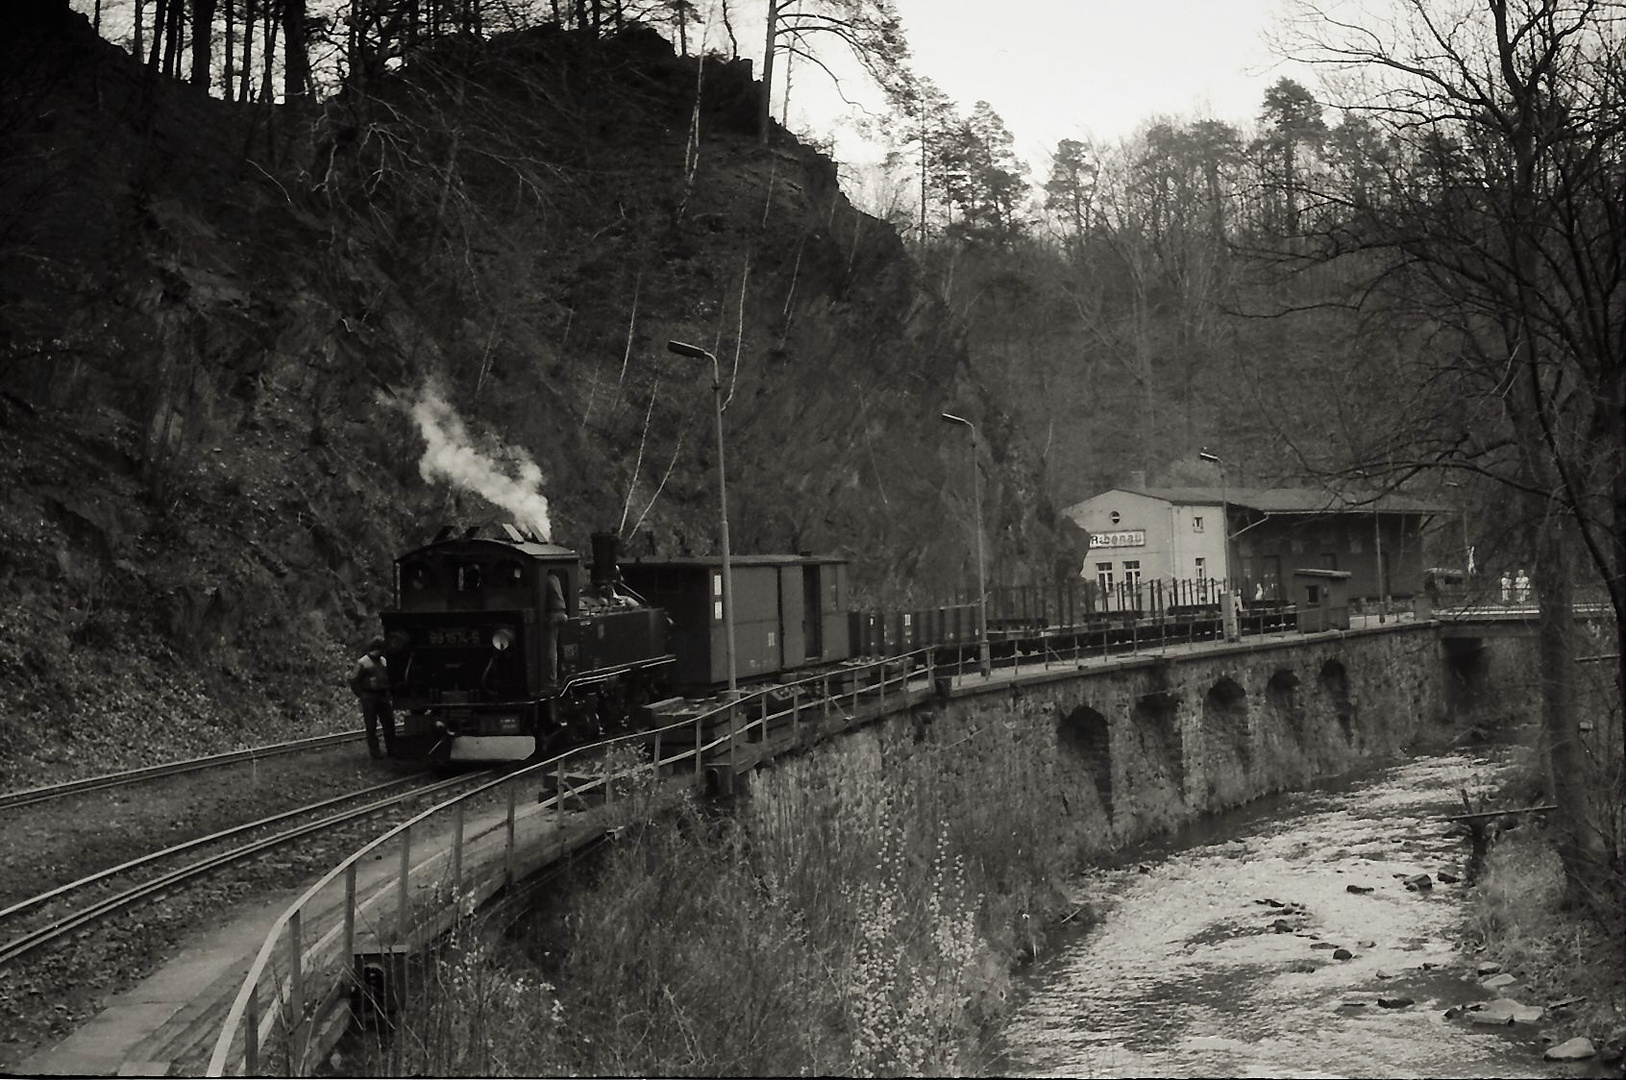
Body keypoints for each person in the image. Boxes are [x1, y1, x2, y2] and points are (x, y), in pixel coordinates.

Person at [350, 637, 395, 759]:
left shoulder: (383, 661)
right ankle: (375, 753)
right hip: (369, 696)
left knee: (389, 724)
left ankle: (392, 750)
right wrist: (361, 694)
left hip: (383, 695)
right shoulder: (362, 662)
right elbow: (353, 680)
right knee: (371, 725)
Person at [542, 571, 568, 685]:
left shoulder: (544, 580)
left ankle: (552, 677)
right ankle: (562, 669)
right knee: (559, 644)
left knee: (551, 647)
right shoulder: (555, 578)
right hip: (563, 613)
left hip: (553, 614)